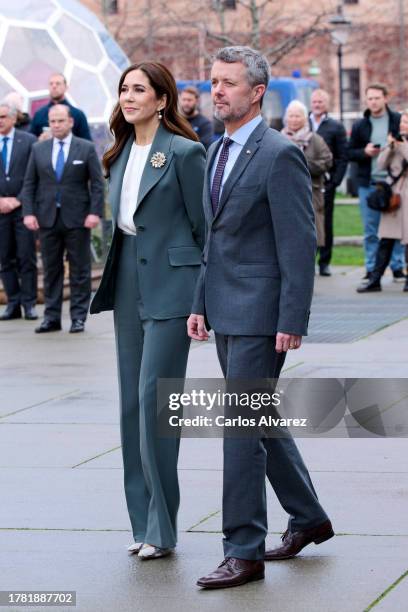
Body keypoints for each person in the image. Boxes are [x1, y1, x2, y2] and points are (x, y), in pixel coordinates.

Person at [188, 46, 333, 590]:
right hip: (225, 308)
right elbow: (214, 240)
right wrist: (200, 302)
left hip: (262, 314)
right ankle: (310, 518)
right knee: (260, 421)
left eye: (227, 83)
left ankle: (242, 550)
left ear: (256, 93)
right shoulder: (214, 149)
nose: (216, 91)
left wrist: (292, 318)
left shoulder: (278, 155)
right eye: (213, 82)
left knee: (241, 430)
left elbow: (298, 246)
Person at [90, 62, 205, 560]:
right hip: (130, 284)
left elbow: (206, 231)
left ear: (162, 100)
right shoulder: (115, 156)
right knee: (130, 408)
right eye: (123, 89)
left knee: (157, 405)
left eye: (139, 89)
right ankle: (141, 522)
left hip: (173, 288)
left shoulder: (185, 152)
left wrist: (203, 300)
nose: (128, 96)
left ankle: (163, 528)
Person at [21, 104, 104, 334]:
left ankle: (78, 318)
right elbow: (29, 184)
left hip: (78, 219)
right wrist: (28, 212)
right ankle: (52, 317)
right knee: (51, 270)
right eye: (52, 121)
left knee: (80, 270)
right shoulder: (38, 149)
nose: (56, 125)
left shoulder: (85, 148)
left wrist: (94, 212)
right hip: (46, 218)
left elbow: (97, 184)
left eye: (60, 121)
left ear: (70, 122)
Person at [348, 84, 405, 280]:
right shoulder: (360, 125)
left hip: (396, 185)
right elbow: (349, 152)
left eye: (376, 98)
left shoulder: (397, 121)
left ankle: (398, 267)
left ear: (385, 98)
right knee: (370, 230)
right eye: (369, 98)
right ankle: (372, 268)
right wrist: (364, 152)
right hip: (369, 183)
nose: (373, 102)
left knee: (397, 228)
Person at [357, 110, 408, 293]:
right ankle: (375, 279)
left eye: (407, 122)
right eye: (402, 121)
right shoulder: (393, 142)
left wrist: (401, 146)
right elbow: (380, 165)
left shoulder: (403, 144)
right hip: (394, 197)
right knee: (386, 239)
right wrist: (390, 147)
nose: (403, 124)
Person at [0, 101, 37, 321]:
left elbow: (35, 176)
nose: (0, 121)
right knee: (5, 259)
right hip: (0, 212)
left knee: (26, 257)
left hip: (24, 209)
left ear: (14, 119)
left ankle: (29, 303)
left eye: (3, 116)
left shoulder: (29, 142)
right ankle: (12, 302)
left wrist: (18, 200)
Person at [282, 100, 332, 248]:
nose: (294, 119)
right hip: (285, 194)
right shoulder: (278, 139)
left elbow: (327, 161)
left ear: (305, 118)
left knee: (309, 237)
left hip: (311, 193)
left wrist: (303, 164)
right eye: (291, 116)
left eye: (298, 116)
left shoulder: (315, 140)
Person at [310, 89, 348, 276]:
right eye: (315, 102)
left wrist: (335, 182)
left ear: (327, 104)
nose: (317, 105)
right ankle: (309, 258)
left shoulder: (335, 127)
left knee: (326, 222)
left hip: (325, 183)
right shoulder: (304, 122)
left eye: (321, 102)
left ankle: (324, 262)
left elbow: (342, 157)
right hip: (305, 183)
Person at [30, 73, 92, 141]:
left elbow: (87, 143)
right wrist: (39, 141)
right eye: (51, 84)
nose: (54, 86)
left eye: (58, 83)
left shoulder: (78, 115)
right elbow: (30, 142)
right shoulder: (39, 114)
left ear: (66, 87)